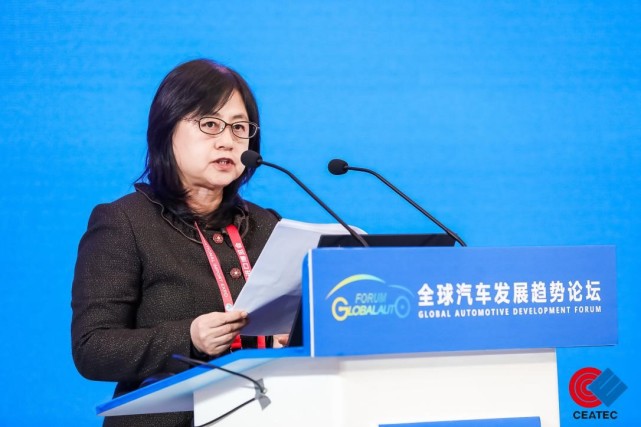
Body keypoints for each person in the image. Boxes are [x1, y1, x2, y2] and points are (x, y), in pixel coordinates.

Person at [71, 59, 283, 427]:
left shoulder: (267, 224)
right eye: (210, 124)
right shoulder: (125, 222)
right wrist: (188, 337)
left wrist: (293, 338)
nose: (227, 141)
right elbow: (92, 348)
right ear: (166, 129)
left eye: (239, 127)